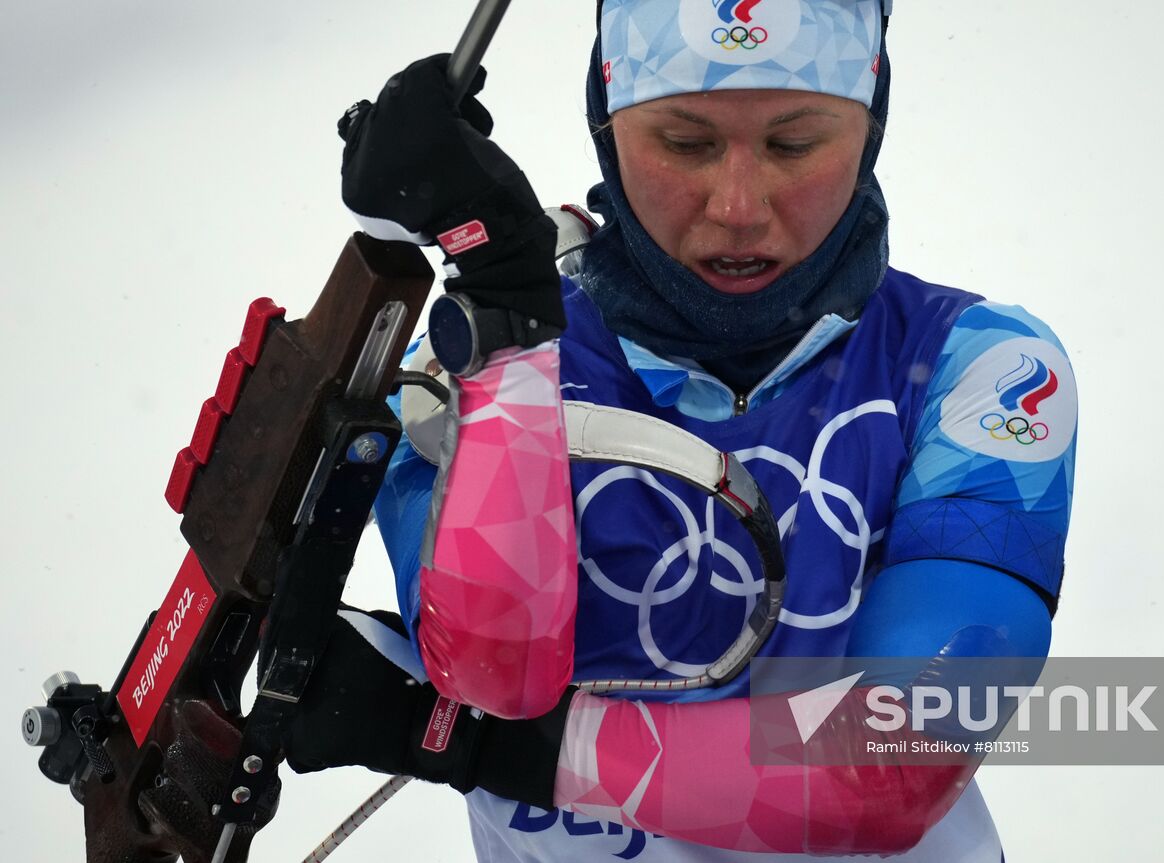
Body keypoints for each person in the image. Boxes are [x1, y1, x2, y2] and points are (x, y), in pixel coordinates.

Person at [280, 1, 1078, 860]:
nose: (738, 206)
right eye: (685, 143)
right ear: (607, 125)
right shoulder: (465, 365)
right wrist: (506, 324)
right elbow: (495, 673)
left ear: (870, 126)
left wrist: (488, 749)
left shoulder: (984, 368)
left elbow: (895, 760)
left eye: (794, 144)